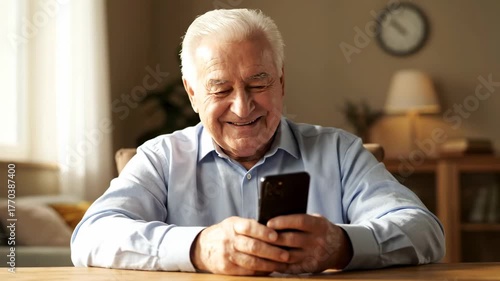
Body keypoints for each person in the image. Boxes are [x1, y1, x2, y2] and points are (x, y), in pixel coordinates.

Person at [71, 8, 445, 275]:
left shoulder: (340, 152)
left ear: (281, 82)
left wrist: (342, 245)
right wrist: (199, 248)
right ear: (192, 93)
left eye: (258, 84)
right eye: (220, 88)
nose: (242, 105)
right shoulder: (162, 158)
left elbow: (425, 232)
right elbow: (90, 237)